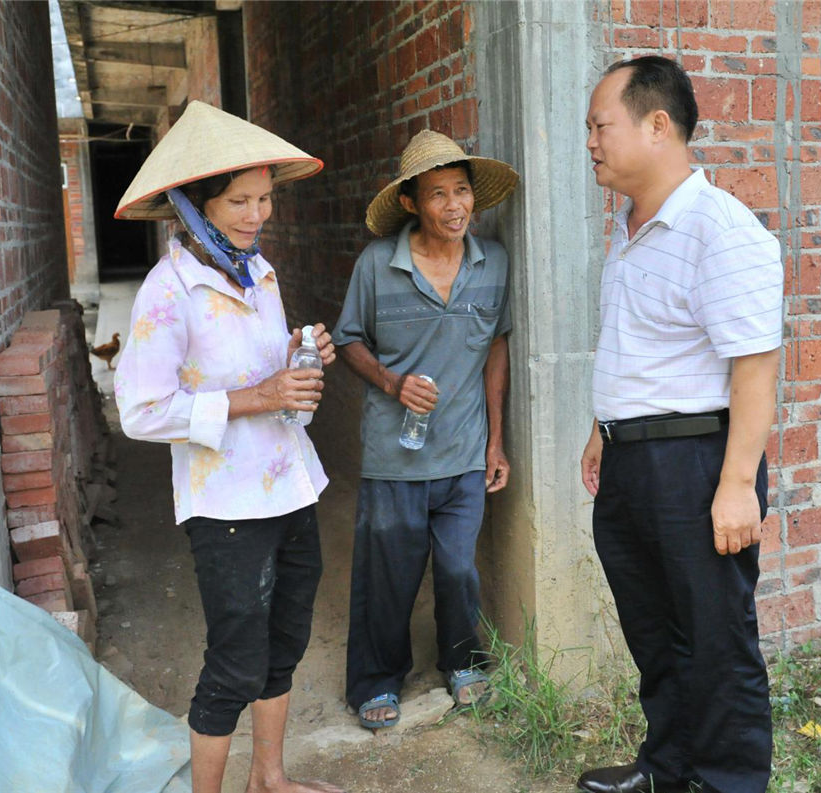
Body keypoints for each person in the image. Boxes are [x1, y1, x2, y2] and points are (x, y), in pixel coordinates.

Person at [113, 100, 344, 793]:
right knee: (235, 663)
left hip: (290, 484)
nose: (256, 214)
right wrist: (260, 396)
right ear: (196, 205)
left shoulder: (257, 272)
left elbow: (265, 373)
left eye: (264, 198)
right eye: (239, 201)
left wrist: (301, 354)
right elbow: (141, 411)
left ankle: (268, 778)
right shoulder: (168, 292)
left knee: (284, 643)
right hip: (226, 504)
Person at [578, 57, 783, 793]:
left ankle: (728, 781)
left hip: (697, 466)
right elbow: (640, 343)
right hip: (633, 463)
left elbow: (755, 368)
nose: (591, 142)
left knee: (716, 642)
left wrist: (737, 485)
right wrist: (603, 428)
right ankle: (668, 769)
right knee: (656, 633)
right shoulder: (630, 228)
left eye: (601, 126)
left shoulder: (719, 228)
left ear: (657, 125)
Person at [333, 129, 519, 730]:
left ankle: (462, 664)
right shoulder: (376, 264)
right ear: (411, 202)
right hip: (395, 455)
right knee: (389, 576)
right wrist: (392, 384)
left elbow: (495, 349)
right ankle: (376, 680)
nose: (454, 205)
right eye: (438, 194)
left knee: (459, 570)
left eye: (461, 190)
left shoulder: (494, 263)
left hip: (464, 450)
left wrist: (495, 442)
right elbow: (348, 340)